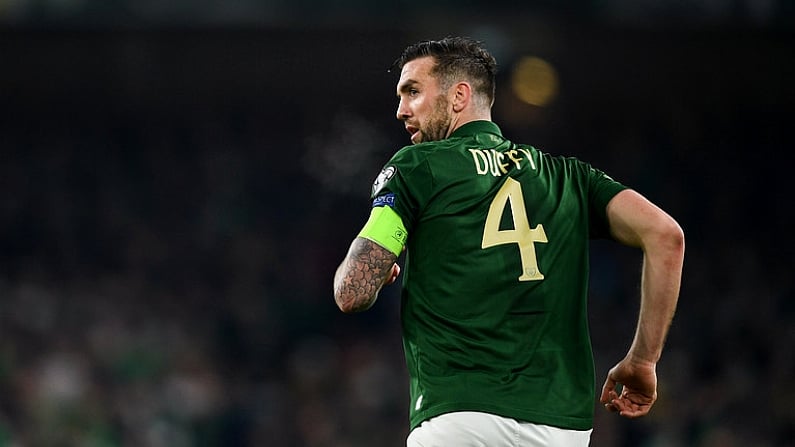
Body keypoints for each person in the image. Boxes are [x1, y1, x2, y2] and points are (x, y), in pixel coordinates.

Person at [333, 36, 684, 446]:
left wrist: (372, 267)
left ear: (459, 95)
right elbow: (666, 235)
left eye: (412, 91)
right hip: (561, 429)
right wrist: (643, 360)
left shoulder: (417, 167)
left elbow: (352, 291)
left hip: (459, 418)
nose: (400, 110)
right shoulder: (567, 178)